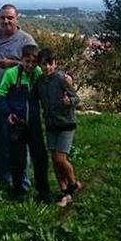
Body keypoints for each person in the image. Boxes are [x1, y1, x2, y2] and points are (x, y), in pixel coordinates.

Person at [0, 4, 36, 189]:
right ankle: (4, 178)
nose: (6, 21)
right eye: (3, 17)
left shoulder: (25, 40)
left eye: (10, 18)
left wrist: (11, 63)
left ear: (17, 18)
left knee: (16, 142)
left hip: (14, 104)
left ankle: (21, 182)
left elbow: (33, 67)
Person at [0, 44, 50, 202]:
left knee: (40, 158)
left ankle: (43, 192)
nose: (30, 65)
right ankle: (18, 191)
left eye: (34, 62)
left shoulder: (39, 74)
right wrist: (8, 113)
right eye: (27, 61)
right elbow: (0, 96)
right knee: (17, 160)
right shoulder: (11, 74)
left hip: (34, 124)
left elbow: (52, 78)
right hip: (17, 124)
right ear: (21, 60)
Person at [36, 48, 82, 207]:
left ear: (55, 64)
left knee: (60, 158)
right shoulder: (40, 82)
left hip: (66, 124)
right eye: (44, 64)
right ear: (39, 65)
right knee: (54, 161)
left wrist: (69, 101)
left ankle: (73, 185)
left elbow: (77, 99)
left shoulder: (62, 79)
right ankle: (63, 190)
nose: (47, 67)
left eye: (50, 64)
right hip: (51, 125)